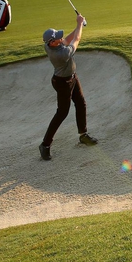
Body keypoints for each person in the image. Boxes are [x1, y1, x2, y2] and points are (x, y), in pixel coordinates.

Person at [39, 15, 98, 161]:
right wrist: (79, 24)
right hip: (62, 82)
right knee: (62, 113)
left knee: (81, 103)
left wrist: (79, 26)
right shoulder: (61, 54)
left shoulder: (50, 45)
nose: (61, 39)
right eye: (57, 38)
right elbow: (76, 40)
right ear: (52, 43)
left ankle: (83, 135)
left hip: (72, 78)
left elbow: (67, 39)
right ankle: (45, 145)